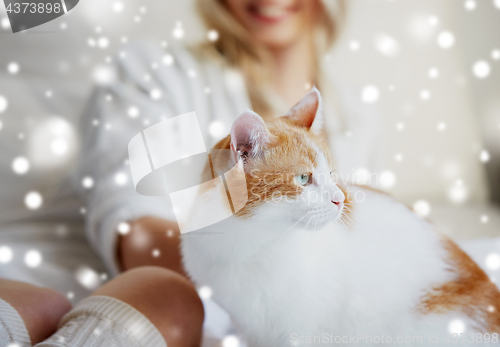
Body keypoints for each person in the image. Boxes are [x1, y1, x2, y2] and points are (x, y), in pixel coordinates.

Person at [1, 0, 382, 345]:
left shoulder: (356, 118)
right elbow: (137, 237)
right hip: (73, 289)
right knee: (167, 297)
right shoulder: (155, 70)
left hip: (217, 317)